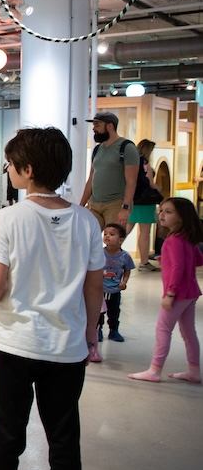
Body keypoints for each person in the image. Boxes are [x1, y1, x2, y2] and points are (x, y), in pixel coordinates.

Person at [0, 127, 105, 470]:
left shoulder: (8, 218)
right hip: (67, 348)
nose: (8, 170)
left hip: (15, 343)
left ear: (27, 170)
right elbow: (94, 287)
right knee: (64, 436)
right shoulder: (86, 221)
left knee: (7, 433)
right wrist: (90, 331)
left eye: (10, 164)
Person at [128, 197, 203, 384]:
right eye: (161, 210)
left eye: (169, 212)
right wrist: (167, 259)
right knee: (188, 332)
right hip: (190, 293)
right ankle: (194, 371)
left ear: (182, 217)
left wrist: (170, 293)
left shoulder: (173, 240)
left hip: (177, 294)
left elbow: (178, 268)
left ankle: (154, 370)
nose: (162, 215)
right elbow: (198, 260)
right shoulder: (186, 237)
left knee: (163, 329)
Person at [79, 111, 139, 229]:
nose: (93, 129)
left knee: (113, 241)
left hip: (115, 203)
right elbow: (91, 178)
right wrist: (81, 205)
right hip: (94, 204)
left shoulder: (127, 148)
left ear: (110, 126)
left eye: (97, 125)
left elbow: (131, 181)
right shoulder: (97, 150)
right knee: (86, 238)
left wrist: (125, 208)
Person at [97, 223, 134, 348]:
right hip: (100, 290)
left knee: (114, 312)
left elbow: (127, 270)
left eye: (112, 234)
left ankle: (114, 331)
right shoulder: (99, 253)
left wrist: (124, 281)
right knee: (98, 312)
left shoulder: (125, 256)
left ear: (121, 240)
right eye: (105, 234)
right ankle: (98, 331)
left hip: (115, 291)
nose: (107, 236)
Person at [127, 139, 158, 271]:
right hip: (146, 202)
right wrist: (159, 190)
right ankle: (144, 262)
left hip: (132, 200)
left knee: (125, 229)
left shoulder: (132, 162)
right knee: (145, 232)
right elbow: (150, 183)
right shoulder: (145, 163)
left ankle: (109, 254)